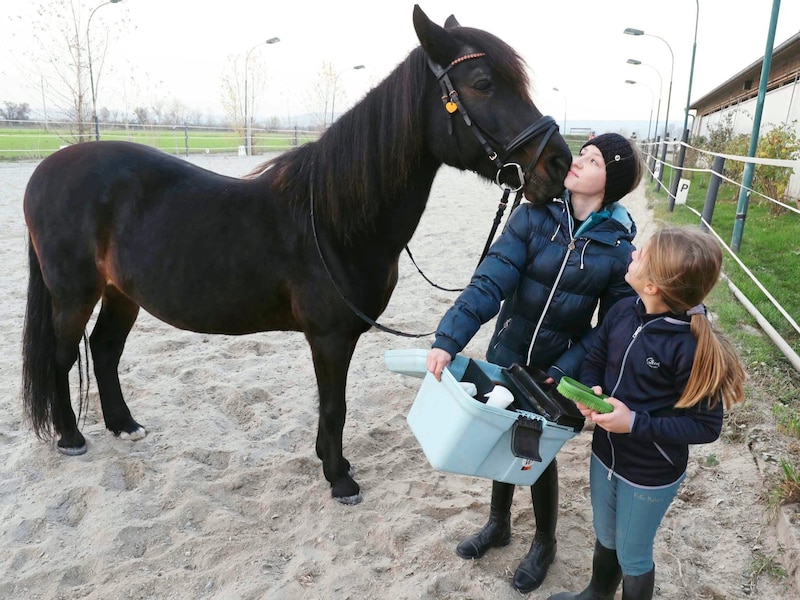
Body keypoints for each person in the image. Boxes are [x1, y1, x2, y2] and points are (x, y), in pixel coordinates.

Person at [427, 133, 644, 593]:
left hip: (553, 372)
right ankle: (498, 524)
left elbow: (610, 329)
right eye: (581, 154)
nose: (578, 162)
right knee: (498, 434)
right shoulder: (535, 214)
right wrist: (449, 337)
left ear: (613, 182)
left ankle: (544, 542)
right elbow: (491, 278)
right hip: (507, 353)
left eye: (593, 160)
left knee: (535, 456)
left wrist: (565, 368)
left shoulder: (617, 248)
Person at [548, 227, 746, 600]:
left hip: (650, 472)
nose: (633, 254)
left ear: (654, 286)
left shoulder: (689, 347)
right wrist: (592, 390)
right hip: (605, 453)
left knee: (633, 555)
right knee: (606, 536)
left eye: (641, 255)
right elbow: (596, 357)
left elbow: (706, 426)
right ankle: (597, 593)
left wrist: (634, 423)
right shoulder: (624, 310)